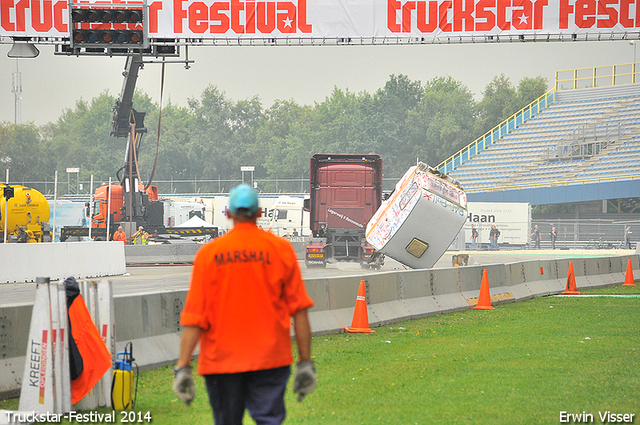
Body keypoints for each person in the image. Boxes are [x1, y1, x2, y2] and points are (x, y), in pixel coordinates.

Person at [173, 184, 316, 425]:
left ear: (228, 214)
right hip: (270, 358)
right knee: (269, 420)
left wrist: (183, 367)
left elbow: (195, 317)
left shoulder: (209, 255)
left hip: (222, 360)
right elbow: (299, 310)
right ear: (259, 213)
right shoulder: (280, 250)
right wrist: (305, 362)